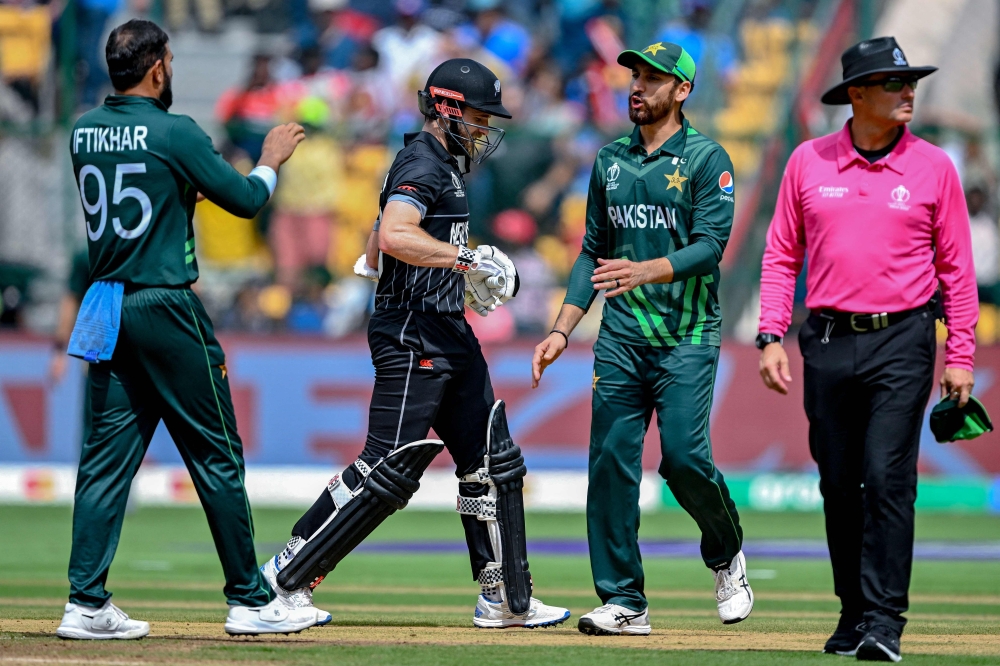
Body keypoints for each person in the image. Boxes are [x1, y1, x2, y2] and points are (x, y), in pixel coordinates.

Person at [258, 58, 571, 630]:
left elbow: (384, 233)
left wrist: (420, 267)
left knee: (492, 462)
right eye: (478, 117)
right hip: (412, 330)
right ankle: (283, 580)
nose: (484, 130)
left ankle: (504, 597)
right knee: (388, 467)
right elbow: (400, 229)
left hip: (446, 324)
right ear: (447, 109)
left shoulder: (441, 166)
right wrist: (466, 257)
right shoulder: (422, 162)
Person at [57, 19, 316, 639]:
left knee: (105, 463)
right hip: (166, 305)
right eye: (168, 61)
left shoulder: (84, 131)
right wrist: (270, 163)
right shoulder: (173, 130)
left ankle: (85, 603)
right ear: (157, 68)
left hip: (109, 306)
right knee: (218, 453)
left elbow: (138, 199)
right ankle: (251, 600)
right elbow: (247, 200)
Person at [757, 37, 977, 662]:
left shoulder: (936, 167)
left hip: (904, 339)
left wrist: (959, 354)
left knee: (887, 478)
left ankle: (884, 620)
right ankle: (853, 610)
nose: (908, 92)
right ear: (856, 94)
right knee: (838, 482)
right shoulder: (807, 161)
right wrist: (771, 334)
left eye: (910, 82)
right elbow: (780, 254)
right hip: (825, 340)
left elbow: (957, 272)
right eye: (893, 83)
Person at [532, 41, 754, 636]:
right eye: (635, 75)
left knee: (683, 460)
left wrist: (645, 271)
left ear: (682, 91)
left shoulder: (708, 160)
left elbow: (712, 248)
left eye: (654, 79)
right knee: (609, 464)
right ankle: (624, 600)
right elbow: (591, 253)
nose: (638, 86)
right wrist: (561, 329)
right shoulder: (608, 160)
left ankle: (726, 552)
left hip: (687, 335)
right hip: (622, 339)